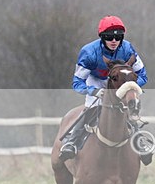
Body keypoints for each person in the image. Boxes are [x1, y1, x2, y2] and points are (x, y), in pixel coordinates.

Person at [59, 15, 148, 161]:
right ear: (102, 37)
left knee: (128, 108)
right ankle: (72, 142)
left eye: (118, 36)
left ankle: (140, 142)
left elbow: (142, 76)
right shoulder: (88, 52)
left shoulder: (128, 48)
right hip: (96, 80)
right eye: (108, 37)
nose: (114, 41)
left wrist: (131, 87)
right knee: (92, 106)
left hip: (120, 83)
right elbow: (77, 83)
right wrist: (93, 91)